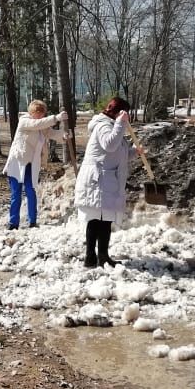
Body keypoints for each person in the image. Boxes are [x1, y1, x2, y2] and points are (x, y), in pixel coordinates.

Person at [74, 97, 141, 268]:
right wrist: (120, 124)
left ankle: (102, 256)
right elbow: (110, 145)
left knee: (105, 220)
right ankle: (91, 257)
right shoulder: (103, 125)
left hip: (107, 179)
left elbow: (117, 152)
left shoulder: (112, 126)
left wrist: (135, 152)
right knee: (96, 220)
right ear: (117, 112)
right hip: (98, 180)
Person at [2, 100, 66, 230]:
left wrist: (64, 135)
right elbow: (37, 124)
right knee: (16, 193)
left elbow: (51, 133)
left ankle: (32, 221)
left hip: (31, 164)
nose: (41, 116)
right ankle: (13, 223)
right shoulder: (24, 121)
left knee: (31, 191)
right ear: (32, 113)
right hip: (17, 162)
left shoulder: (41, 125)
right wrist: (56, 118)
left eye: (43, 114)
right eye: (39, 114)